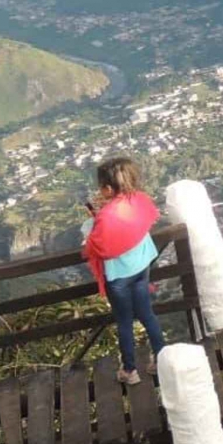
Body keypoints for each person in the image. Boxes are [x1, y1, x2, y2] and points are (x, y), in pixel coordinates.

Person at [83, 156, 166, 384]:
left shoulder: (107, 216)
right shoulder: (138, 199)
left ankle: (130, 371)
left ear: (108, 188)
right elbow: (137, 221)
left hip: (120, 275)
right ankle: (161, 361)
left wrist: (98, 220)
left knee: (124, 321)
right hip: (143, 264)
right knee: (147, 313)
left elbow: (98, 246)